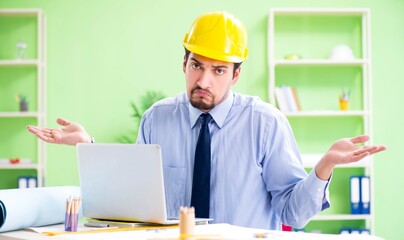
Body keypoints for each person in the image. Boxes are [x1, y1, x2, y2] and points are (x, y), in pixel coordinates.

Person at [27, 11, 386, 230]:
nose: (203, 81)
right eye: (197, 65)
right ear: (184, 63)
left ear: (236, 75)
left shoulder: (265, 123)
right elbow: (134, 201)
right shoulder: (156, 119)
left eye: (218, 70)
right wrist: (90, 148)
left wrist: (323, 167)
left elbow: (294, 212)